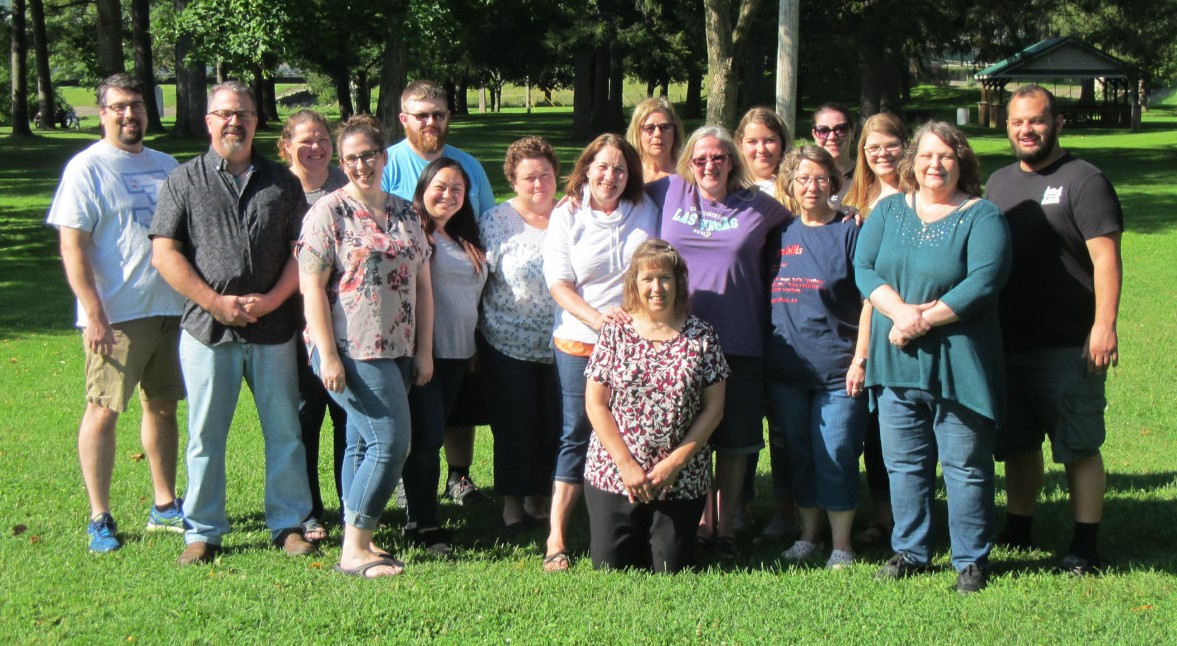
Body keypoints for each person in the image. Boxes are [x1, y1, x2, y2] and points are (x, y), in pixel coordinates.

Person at [151, 81, 316, 565]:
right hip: (207, 330)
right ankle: (203, 530)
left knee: (285, 431)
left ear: (255, 120)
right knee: (205, 434)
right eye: (224, 114)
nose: (234, 122)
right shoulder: (184, 180)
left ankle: (288, 523)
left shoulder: (283, 183)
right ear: (209, 121)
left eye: (242, 113)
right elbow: (165, 253)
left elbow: (300, 253)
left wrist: (270, 300)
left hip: (273, 330)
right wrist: (215, 302)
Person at [853, 121, 1011, 593]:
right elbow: (863, 268)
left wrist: (922, 320)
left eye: (945, 155)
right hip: (895, 361)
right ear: (911, 163)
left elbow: (983, 282)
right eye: (925, 156)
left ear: (961, 161)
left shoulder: (982, 216)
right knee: (904, 463)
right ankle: (912, 550)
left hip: (959, 360)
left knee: (965, 464)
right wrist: (901, 313)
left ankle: (970, 559)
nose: (934, 164)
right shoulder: (888, 213)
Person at [986, 85, 1123, 576]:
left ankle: (1085, 545)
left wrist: (1103, 326)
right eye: (1019, 122)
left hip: (1069, 342)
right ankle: (1019, 525)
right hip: (1006, 342)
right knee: (1018, 445)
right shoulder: (998, 183)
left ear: (1058, 123)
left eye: (1038, 121)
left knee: (1078, 446)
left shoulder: (1085, 181)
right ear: (1007, 126)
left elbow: (1106, 259)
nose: (1028, 130)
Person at [47, 73, 185, 553]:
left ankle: (165, 506)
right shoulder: (87, 168)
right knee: (103, 411)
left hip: (171, 309)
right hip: (118, 316)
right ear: (103, 113)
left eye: (137, 106)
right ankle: (99, 516)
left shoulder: (168, 165)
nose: (131, 115)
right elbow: (73, 247)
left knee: (163, 407)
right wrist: (95, 314)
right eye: (119, 107)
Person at [298, 115, 434, 578]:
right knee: (392, 441)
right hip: (349, 347)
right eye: (351, 158)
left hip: (397, 346)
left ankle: (359, 535)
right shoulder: (328, 212)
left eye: (369, 155)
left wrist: (424, 350)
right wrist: (328, 354)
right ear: (343, 162)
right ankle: (354, 550)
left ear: (383, 157)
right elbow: (311, 288)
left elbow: (423, 285)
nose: (361, 165)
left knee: (360, 443)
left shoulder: (405, 212)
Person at [647, 126, 792, 558]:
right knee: (687, 436)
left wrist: (849, 217)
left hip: (740, 339)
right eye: (700, 159)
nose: (709, 166)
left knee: (734, 440)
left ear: (732, 160)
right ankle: (696, 522)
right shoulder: (669, 191)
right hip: (678, 340)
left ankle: (726, 526)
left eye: (718, 158)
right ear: (688, 162)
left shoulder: (759, 206)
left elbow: (803, 224)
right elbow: (612, 192)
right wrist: (571, 199)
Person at [542, 134, 659, 572]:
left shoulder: (645, 210)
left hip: (638, 342)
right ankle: (556, 537)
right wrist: (597, 320)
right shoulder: (567, 214)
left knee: (631, 431)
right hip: (580, 341)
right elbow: (559, 284)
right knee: (577, 433)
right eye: (603, 167)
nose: (610, 176)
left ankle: (627, 522)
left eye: (620, 169)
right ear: (587, 168)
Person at [584, 240, 729, 573]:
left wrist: (674, 465)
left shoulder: (702, 335)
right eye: (647, 278)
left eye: (665, 278)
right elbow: (596, 403)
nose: (657, 287)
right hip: (615, 472)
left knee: (671, 569)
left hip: (680, 476)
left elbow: (714, 409)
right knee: (611, 566)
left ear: (678, 282)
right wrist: (625, 464)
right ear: (634, 283)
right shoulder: (615, 332)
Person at [382, 79, 496, 505]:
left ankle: (459, 476)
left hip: (461, 310)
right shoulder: (388, 163)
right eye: (421, 114)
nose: (431, 122)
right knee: (416, 411)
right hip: (403, 317)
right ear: (404, 119)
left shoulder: (468, 165)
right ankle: (407, 481)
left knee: (457, 406)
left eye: (439, 114)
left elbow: (479, 229)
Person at [769, 146, 870, 570]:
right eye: (802, 178)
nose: (811, 187)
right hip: (787, 370)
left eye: (820, 179)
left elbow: (871, 299)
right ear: (790, 184)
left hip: (838, 370)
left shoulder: (850, 230)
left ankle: (842, 545)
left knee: (837, 452)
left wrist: (861, 358)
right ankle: (809, 537)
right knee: (800, 455)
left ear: (834, 182)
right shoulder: (780, 233)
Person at [403, 158, 487, 553]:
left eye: (457, 189)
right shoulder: (414, 234)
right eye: (440, 186)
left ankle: (422, 514)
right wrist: (424, 354)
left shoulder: (462, 237)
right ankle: (422, 525)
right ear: (423, 187)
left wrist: (471, 347)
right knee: (427, 438)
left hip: (459, 354)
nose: (448, 195)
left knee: (433, 436)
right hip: (427, 355)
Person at [478, 137, 562, 530]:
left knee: (551, 425)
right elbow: (478, 281)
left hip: (561, 345)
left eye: (545, 174)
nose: (538, 184)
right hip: (506, 343)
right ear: (513, 180)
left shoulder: (571, 215)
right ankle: (512, 509)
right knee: (515, 427)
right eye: (529, 177)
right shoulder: (496, 221)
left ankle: (539, 502)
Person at [277, 109, 349, 543]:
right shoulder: (277, 188)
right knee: (303, 419)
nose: (317, 147)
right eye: (306, 140)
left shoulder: (346, 185)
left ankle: (351, 507)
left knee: (347, 419)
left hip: (345, 324)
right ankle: (306, 511)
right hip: (291, 324)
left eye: (323, 138)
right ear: (286, 145)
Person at [841, 112, 909, 546]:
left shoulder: (921, 195)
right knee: (872, 432)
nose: (881, 154)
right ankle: (884, 516)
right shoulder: (854, 202)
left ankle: (910, 518)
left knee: (903, 428)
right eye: (872, 147)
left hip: (903, 320)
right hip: (855, 321)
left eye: (890, 145)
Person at [625, 97, 686, 183]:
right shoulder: (628, 176)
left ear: (675, 131)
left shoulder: (688, 174)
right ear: (637, 133)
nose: (658, 134)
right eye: (649, 128)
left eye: (665, 127)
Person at [736, 106, 792, 196]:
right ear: (740, 145)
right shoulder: (731, 188)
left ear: (783, 143)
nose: (761, 149)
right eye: (752, 142)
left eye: (769, 140)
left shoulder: (794, 187)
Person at [811, 102, 856, 206]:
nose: (832, 136)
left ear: (852, 132)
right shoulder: (802, 177)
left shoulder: (866, 175)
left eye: (840, 129)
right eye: (823, 131)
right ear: (814, 134)